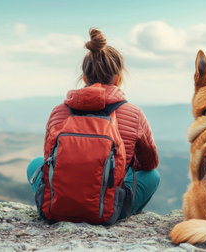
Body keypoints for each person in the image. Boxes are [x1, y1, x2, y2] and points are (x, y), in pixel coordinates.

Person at [26, 28, 160, 219]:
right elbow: (149, 163)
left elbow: (50, 159)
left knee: (36, 163)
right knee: (152, 175)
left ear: (85, 78)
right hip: (108, 208)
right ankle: (120, 212)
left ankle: (61, 204)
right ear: (119, 77)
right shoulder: (133, 113)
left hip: (58, 207)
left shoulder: (59, 111)